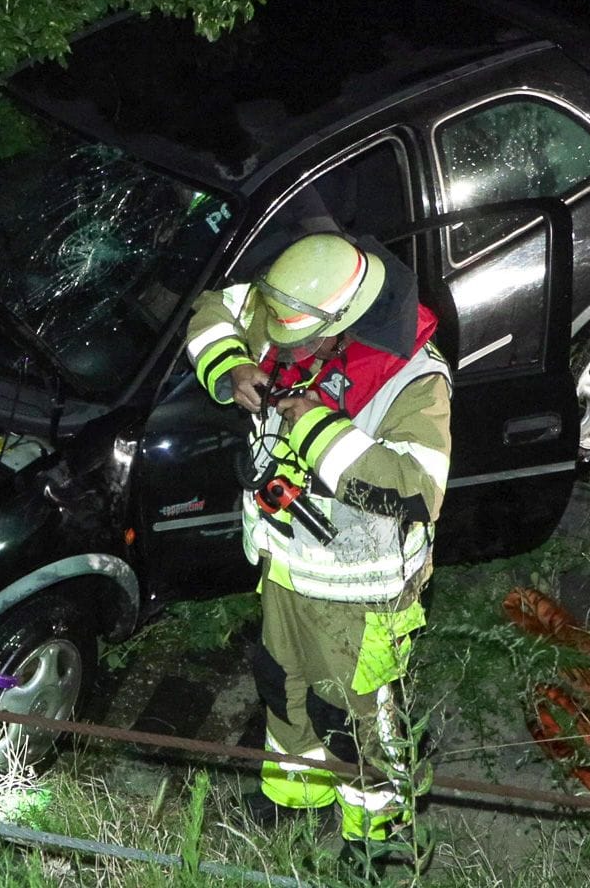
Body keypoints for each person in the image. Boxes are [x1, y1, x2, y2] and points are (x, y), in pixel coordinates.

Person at [183, 233, 452, 855]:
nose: (281, 347)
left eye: (298, 342)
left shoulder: (415, 378)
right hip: (287, 565)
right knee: (282, 683)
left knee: (358, 723)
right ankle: (296, 796)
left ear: (344, 324)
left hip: (360, 592)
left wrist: (311, 425)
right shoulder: (289, 306)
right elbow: (212, 312)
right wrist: (232, 366)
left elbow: (414, 490)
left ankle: (382, 840)